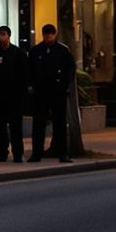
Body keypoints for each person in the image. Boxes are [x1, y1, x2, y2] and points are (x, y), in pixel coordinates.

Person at [29, 23, 76, 163]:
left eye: (50, 34)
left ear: (54, 34)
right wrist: (31, 86)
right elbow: (30, 70)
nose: (48, 36)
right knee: (38, 124)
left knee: (60, 124)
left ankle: (63, 153)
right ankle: (36, 153)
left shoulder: (62, 50)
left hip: (57, 92)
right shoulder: (36, 51)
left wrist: (65, 85)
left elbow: (70, 69)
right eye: (46, 34)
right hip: (41, 92)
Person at [0, 25, 31, 161]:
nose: (1, 37)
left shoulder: (18, 53)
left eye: (4, 34)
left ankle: (17, 154)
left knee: (16, 126)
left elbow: (24, 74)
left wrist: (22, 92)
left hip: (14, 96)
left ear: (9, 36)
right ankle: (2, 152)